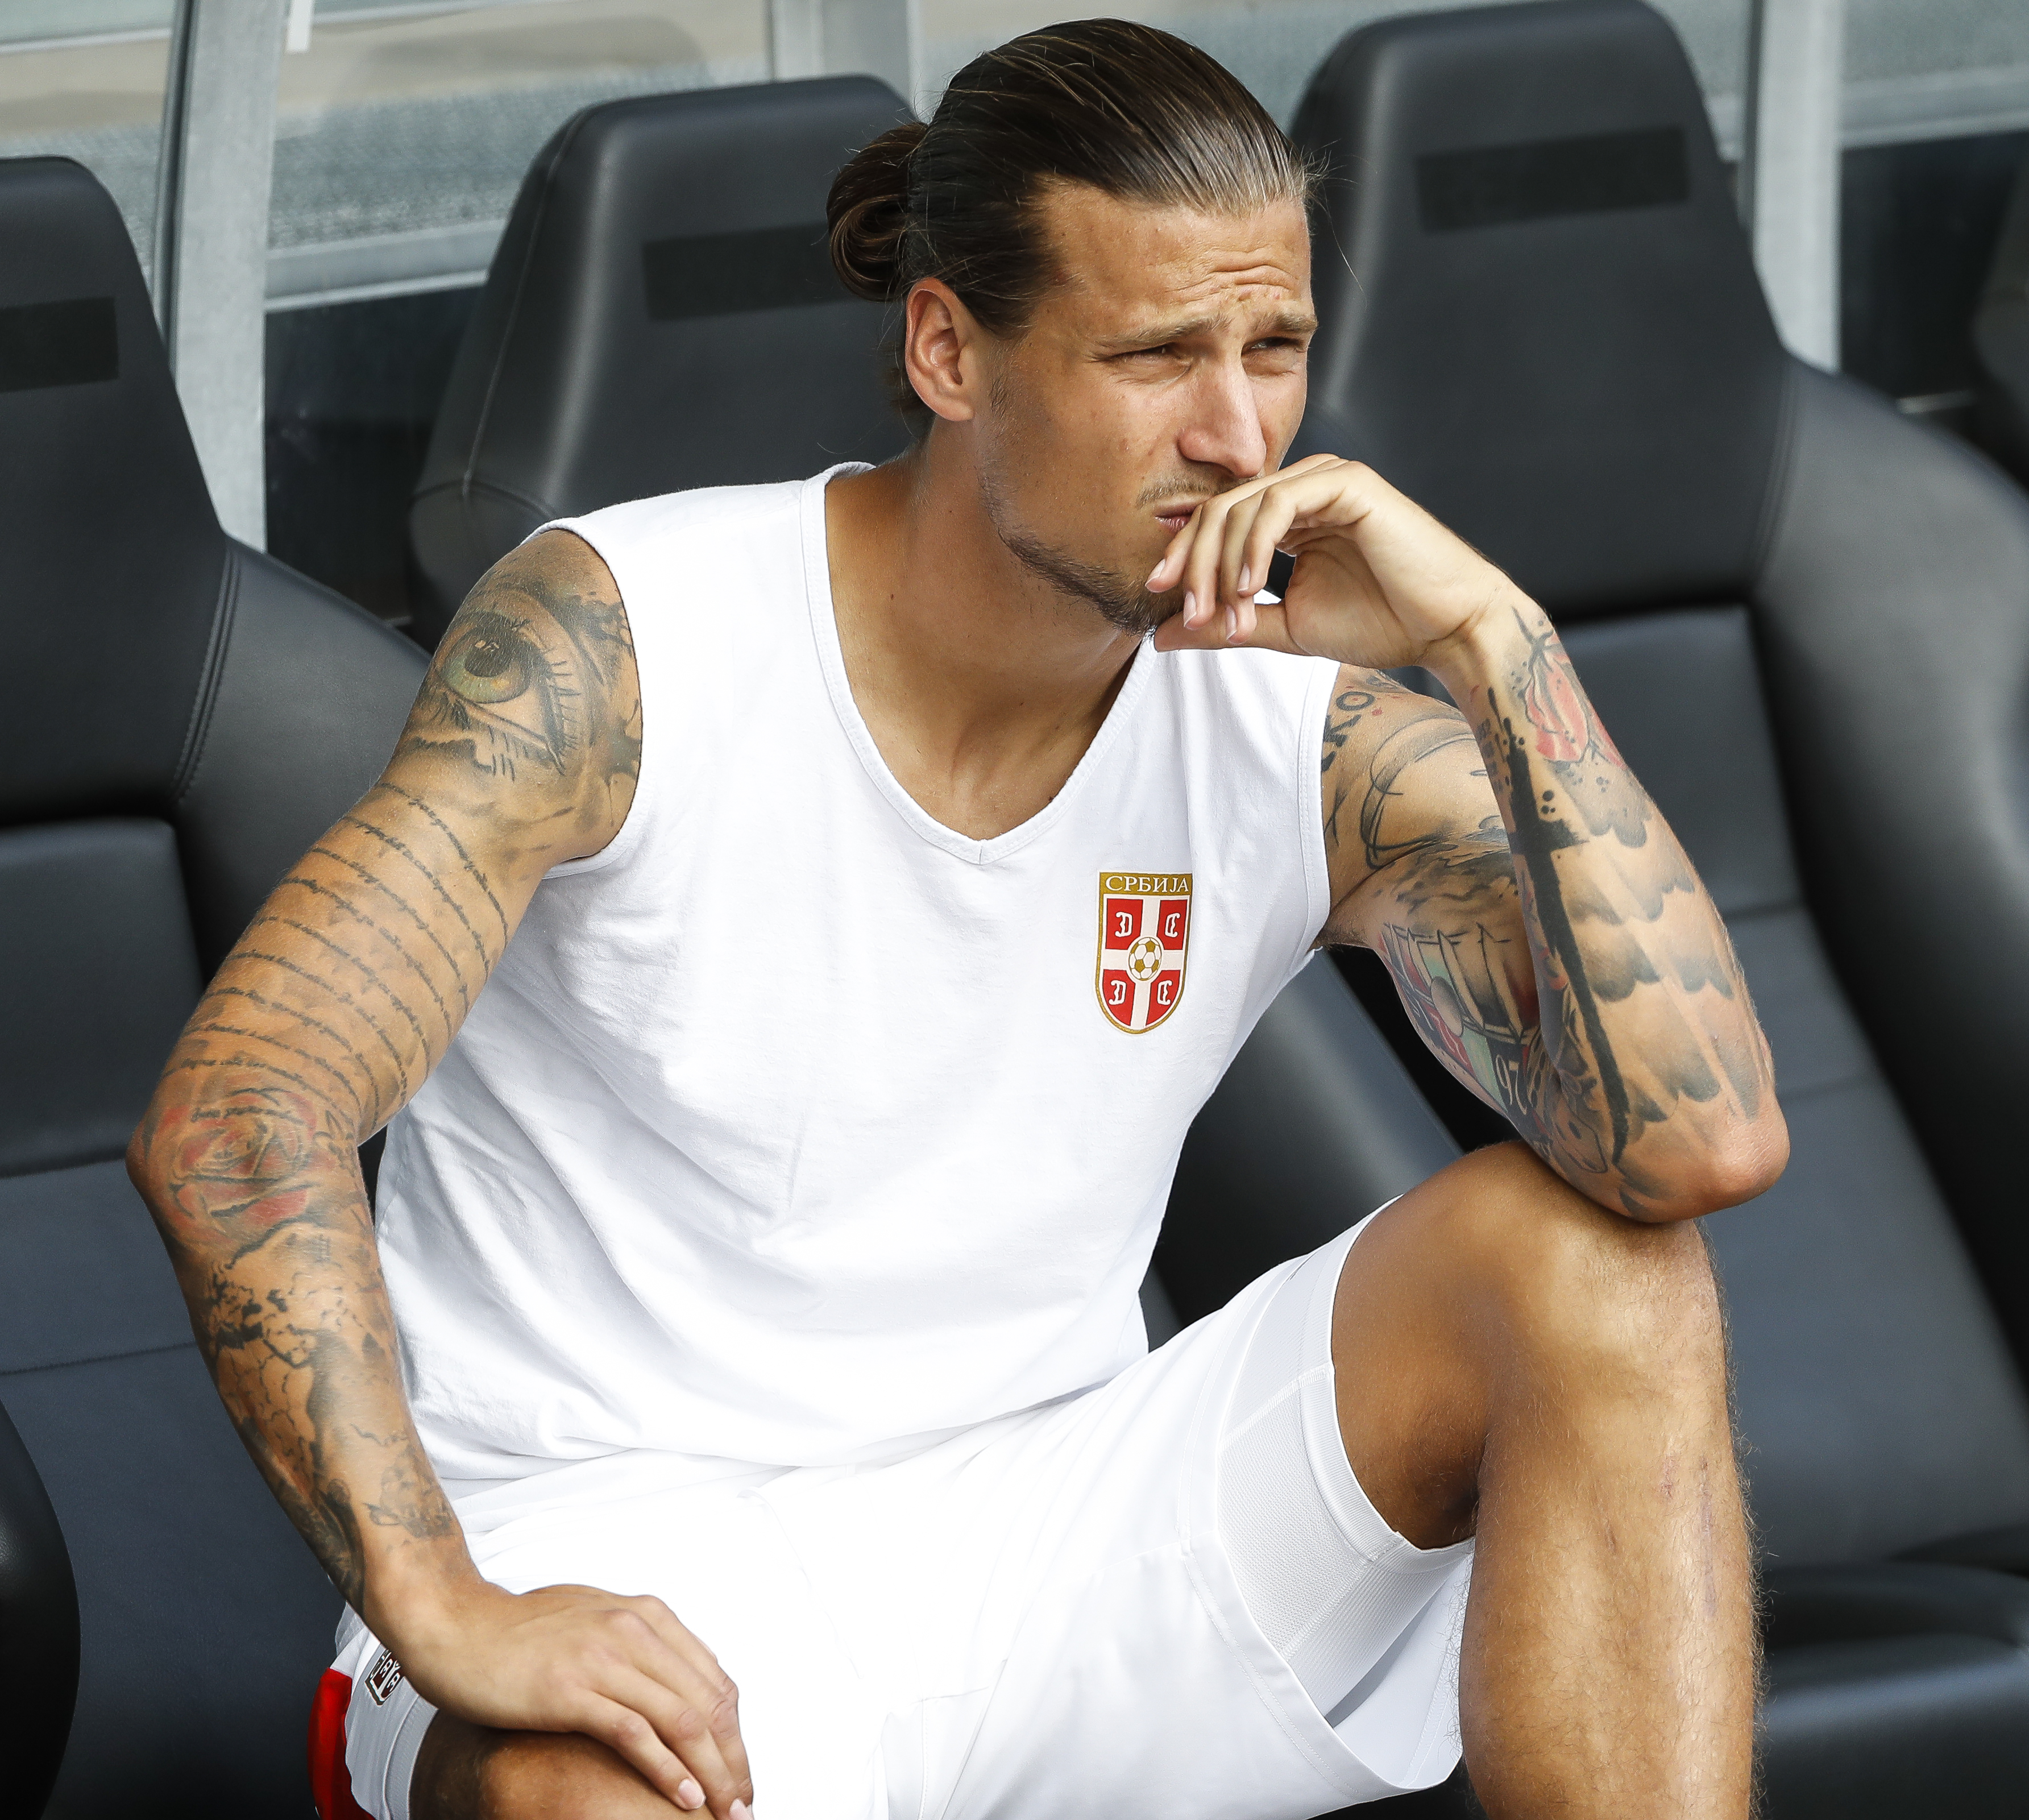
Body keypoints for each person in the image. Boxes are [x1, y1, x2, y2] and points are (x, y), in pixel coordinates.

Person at [131, 19, 1787, 1820]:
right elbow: (244, 1109)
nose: (1236, 432)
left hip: (1057, 1524)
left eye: (1275, 347)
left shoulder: (1299, 730)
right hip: (619, 1550)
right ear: (946, 348)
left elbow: (1694, 1139)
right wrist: (442, 1597)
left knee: (1600, 1273)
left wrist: (1498, 646)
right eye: (1156, 353)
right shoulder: (622, 637)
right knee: (576, 1795)